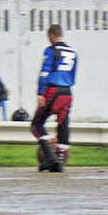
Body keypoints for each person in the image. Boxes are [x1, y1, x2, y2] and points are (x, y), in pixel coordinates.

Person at [30, 24, 77, 171]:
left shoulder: (51, 50)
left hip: (53, 89)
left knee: (36, 124)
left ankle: (50, 155)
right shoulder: (73, 52)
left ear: (50, 35)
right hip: (67, 92)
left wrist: (40, 92)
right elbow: (73, 76)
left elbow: (45, 72)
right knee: (63, 124)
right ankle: (60, 159)